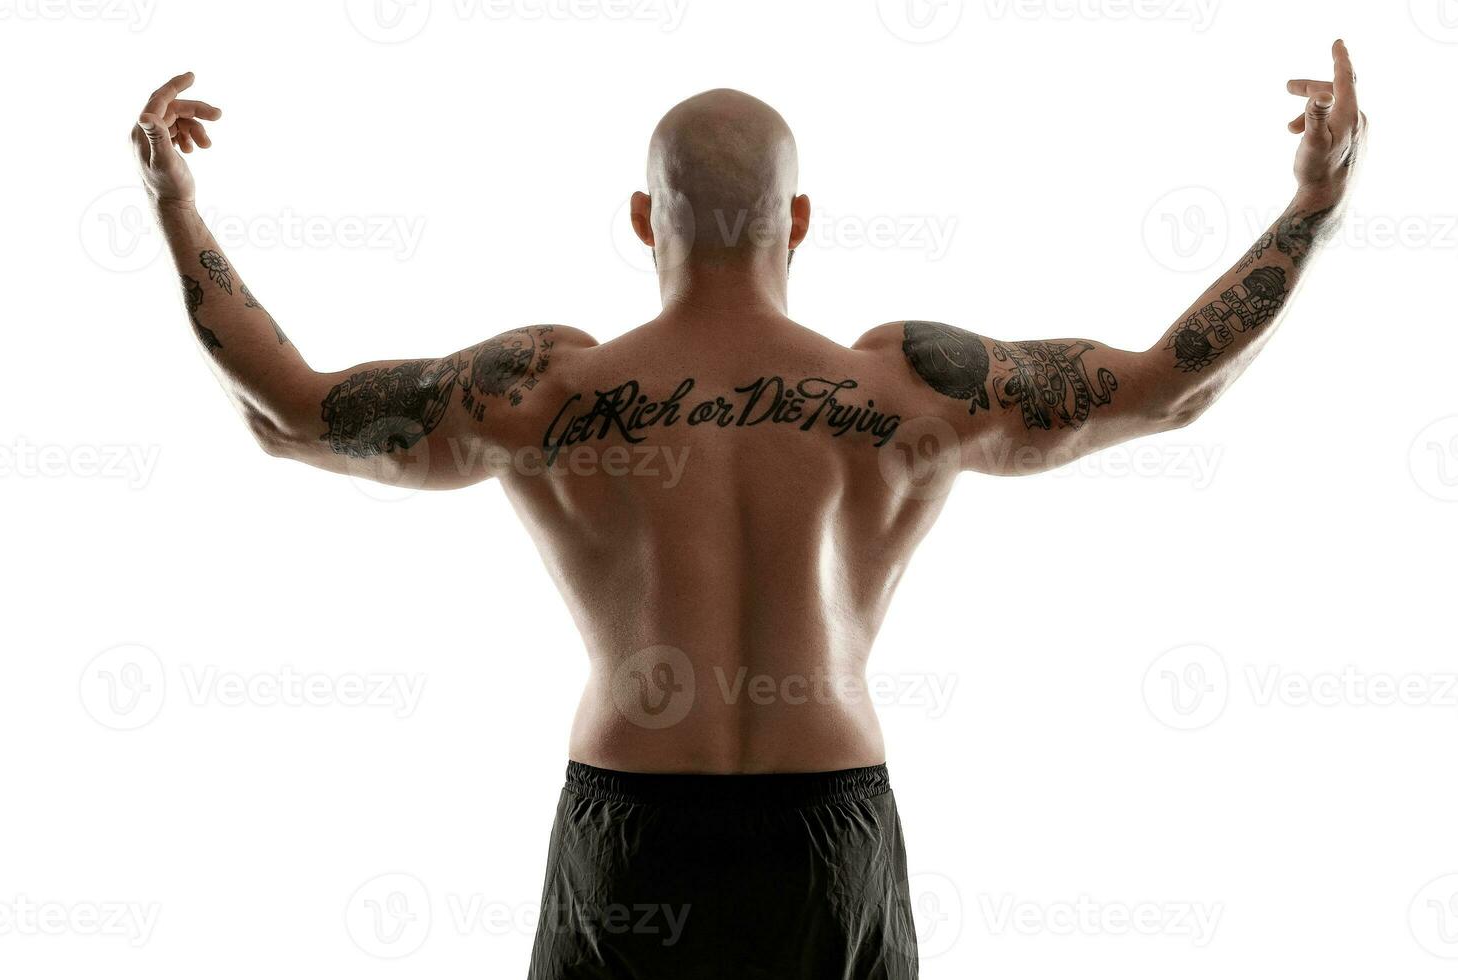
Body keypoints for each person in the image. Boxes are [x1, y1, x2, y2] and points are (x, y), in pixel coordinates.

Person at [130, 40, 1365, 978]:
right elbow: (1164, 392)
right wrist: (1313, 203)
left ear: (639, 220)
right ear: (803, 221)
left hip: (630, 836)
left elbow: (289, 407)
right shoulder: (902, 384)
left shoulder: (547, 387)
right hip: (830, 835)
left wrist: (178, 206)